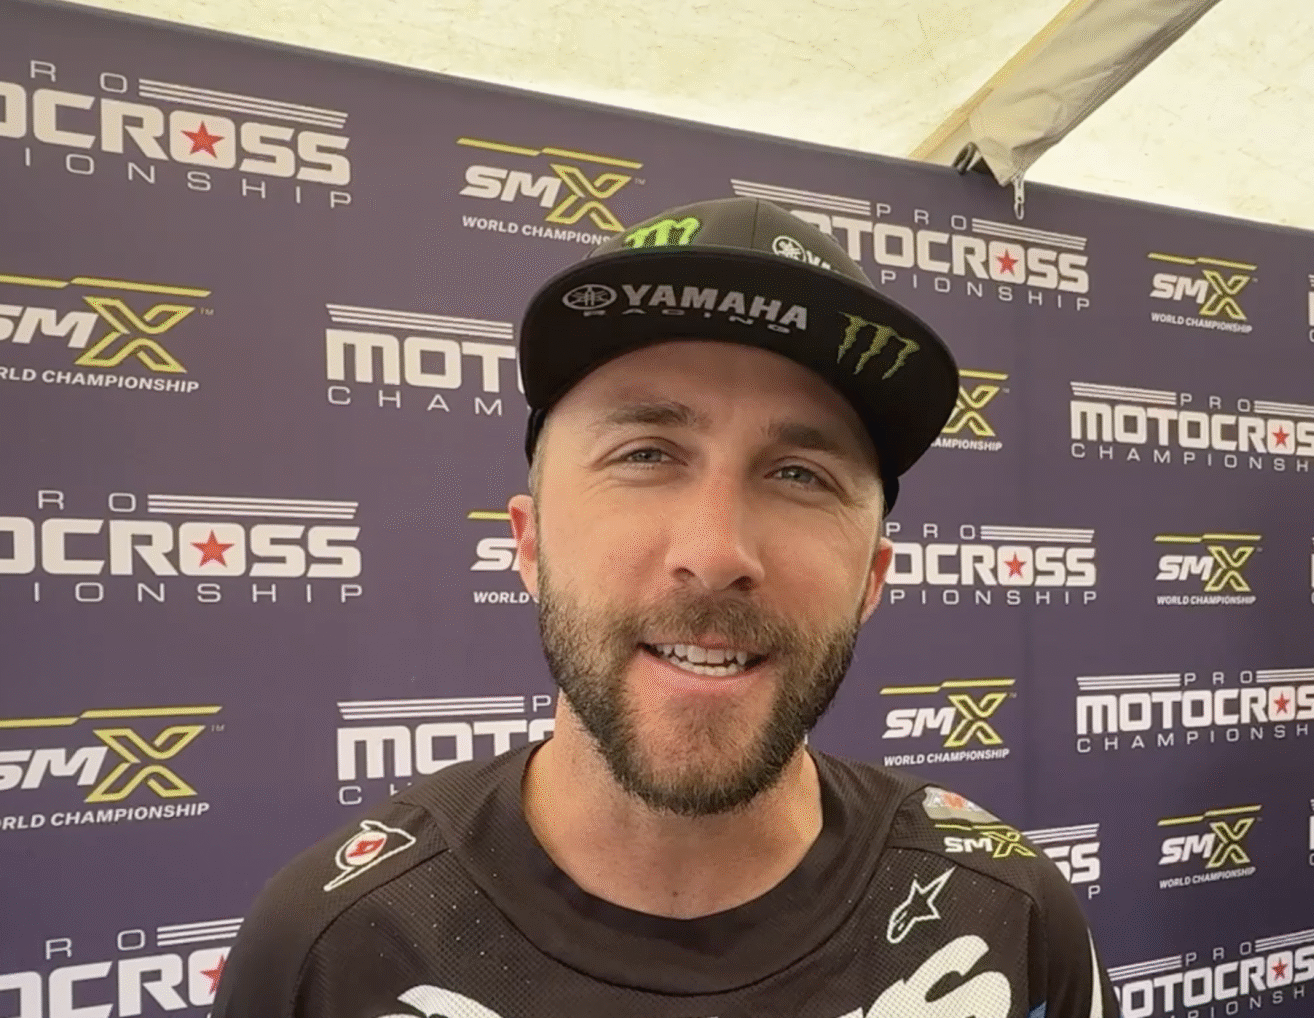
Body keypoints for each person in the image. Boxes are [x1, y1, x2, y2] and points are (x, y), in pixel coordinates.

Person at [213, 196, 1117, 1018]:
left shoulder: (1008, 920)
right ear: (530, 543)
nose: (716, 553)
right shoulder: (332, 949)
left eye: (800, 474)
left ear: (872, 578)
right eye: (646, 454)